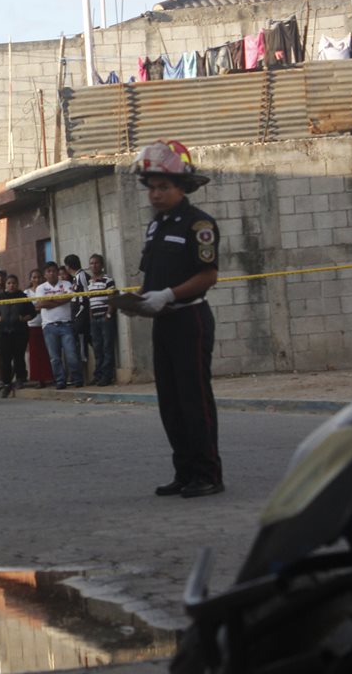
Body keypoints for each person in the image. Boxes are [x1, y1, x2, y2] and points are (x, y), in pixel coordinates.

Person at [128, 140, 223, 499]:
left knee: (194, 398)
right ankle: (184, 472)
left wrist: (168, 295)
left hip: (190, 319)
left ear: (181, 187)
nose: (155, 194)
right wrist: (139, 300)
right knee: (169, 400)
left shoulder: (199, 224)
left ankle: (208, 474)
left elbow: (208, 275)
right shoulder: (156, 226)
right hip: (163, 322)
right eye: (151, 187)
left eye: (163, 187)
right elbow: (152, 274)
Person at [34, 262, 83, 389]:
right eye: (49, 271)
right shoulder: (40, 288)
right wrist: (58, 301)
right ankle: (60, 381)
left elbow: (68, 297)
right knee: (54, 357)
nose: (52, 273)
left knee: (71, 354)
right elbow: (41, 304)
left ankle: (77, 379)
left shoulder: (66, 284)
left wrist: (51, 301)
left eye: (54, 270)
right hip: (49, 326)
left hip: (66, 324)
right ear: (45, 274)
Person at [0, 274, 35, 397]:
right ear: (6, 285)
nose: (11, 285)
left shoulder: (23, 297)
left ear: (17, 285)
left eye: (14, 283)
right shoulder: (0, 297)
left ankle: (20, 379)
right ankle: (6, 383)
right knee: (5, 359)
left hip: (20, 332)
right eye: (9, 283)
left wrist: (24, 318)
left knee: (19, 357)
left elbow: (32, 313)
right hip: (4, 332)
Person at [86, 253, 118, 386]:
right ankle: (98, 375)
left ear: (102, 265)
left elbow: (113, 298)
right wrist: (90, 316)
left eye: (96, 263)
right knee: (97, 348)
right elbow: (89, 301)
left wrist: (108, 314)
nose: (94, 265)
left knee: (107, 347)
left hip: (105, 317)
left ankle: (107, 376)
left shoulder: (107, 279)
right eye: (92, 263)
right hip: (94, 319)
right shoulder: (89, 283)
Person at [23, 269, 53, 387]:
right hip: (32, 325)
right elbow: (29, 308)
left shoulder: (46, 289)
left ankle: (49, 377)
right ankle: (37, 378)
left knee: (47, 351)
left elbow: (47, 304)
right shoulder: (26, 293)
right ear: (31, 279)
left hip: (45, 323)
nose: (37, 280)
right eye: (34, 277)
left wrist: (39, 306)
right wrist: (38, 307)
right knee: (34, 353)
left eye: (39, 277)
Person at [65, 254, 92, 372]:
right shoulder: (76, 278)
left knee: (83, 346)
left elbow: (88, 294)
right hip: (78, 316)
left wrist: (86, 314)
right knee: (81, 345)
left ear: (68, 266)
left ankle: (86, 375)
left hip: (82, 317)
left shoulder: (82, 276)